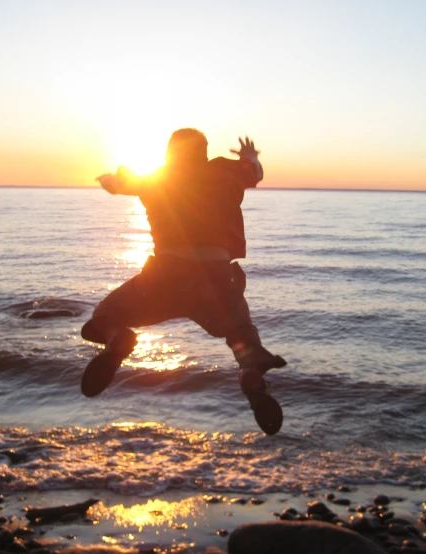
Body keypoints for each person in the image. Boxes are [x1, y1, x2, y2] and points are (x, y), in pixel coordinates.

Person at [80, 128, 287, 435]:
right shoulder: (226, 171)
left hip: (164, 278)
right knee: (241, 333)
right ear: (203, 153)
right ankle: (249, 372)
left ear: (169, 154)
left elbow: (115, 185)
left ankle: (117, 340)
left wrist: (107, 178)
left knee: (101, 318)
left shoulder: (157, 178)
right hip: (218, 281)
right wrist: (250, 156)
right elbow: (254, 174)